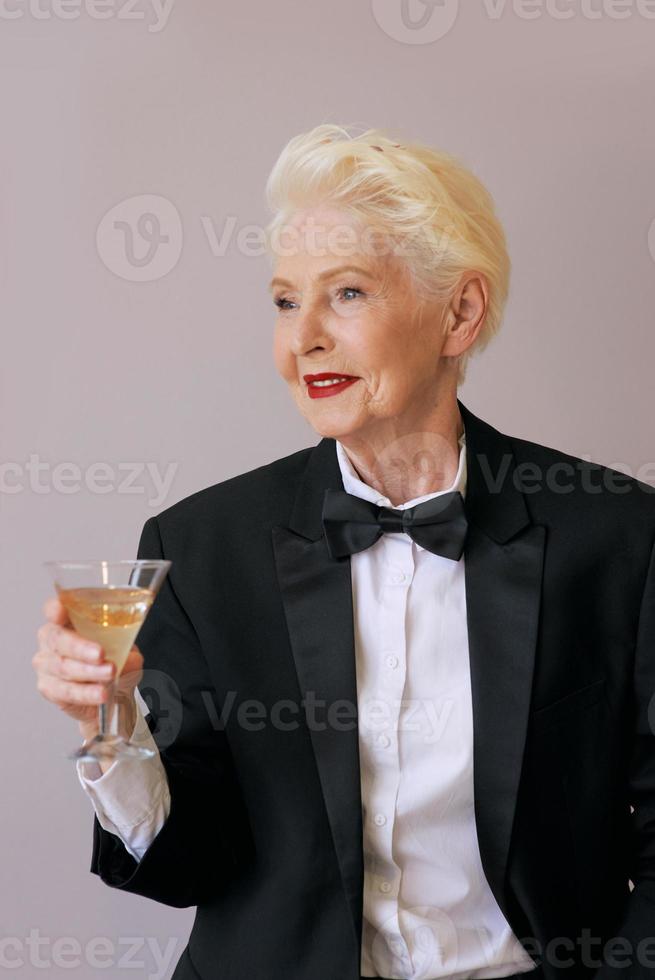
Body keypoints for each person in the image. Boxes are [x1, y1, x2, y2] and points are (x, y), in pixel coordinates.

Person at [33, 125, 655, 980]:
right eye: (286, 301)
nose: (305, 339)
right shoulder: (199, 547)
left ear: (458, 313)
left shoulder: (617, 536)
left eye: (348, 294)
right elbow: (190, 865)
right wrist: (112, 726)